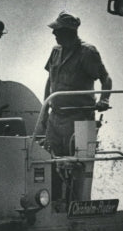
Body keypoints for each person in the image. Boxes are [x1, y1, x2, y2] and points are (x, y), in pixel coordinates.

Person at [34, 11, 113, 156]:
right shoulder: (55, 51)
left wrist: (104, 99)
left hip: (80, 118)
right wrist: (45, 110)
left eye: (57, 30)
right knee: (50, 162)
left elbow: (106, 78)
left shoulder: (87, 52)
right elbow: (49, 80)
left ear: (68, 32)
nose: (53, 33)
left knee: (79, 166)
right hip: (56, 117)